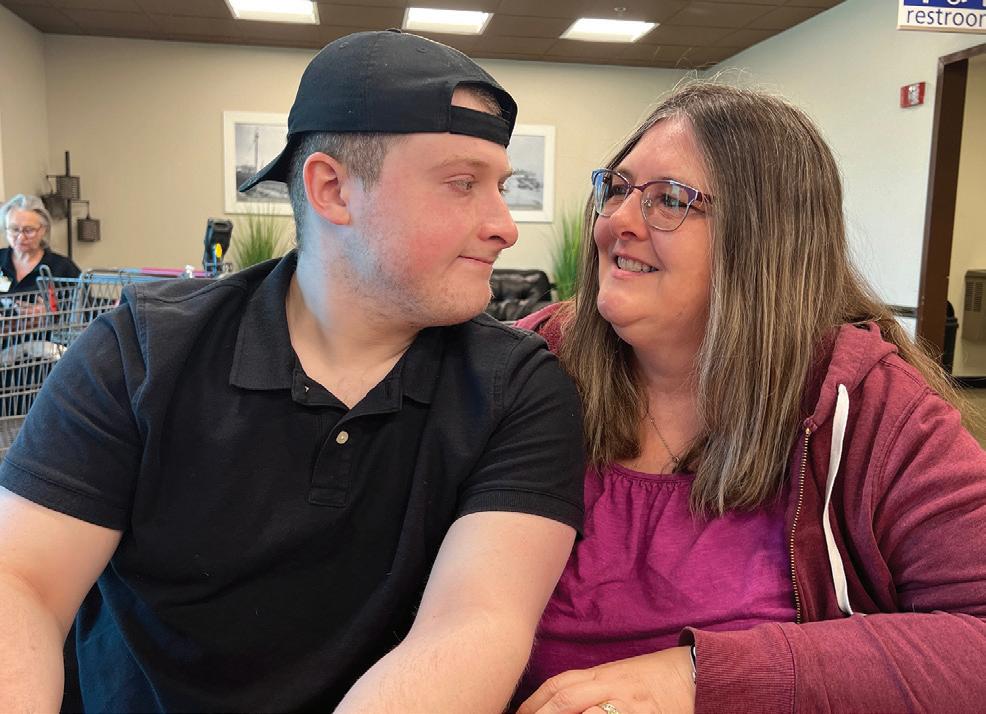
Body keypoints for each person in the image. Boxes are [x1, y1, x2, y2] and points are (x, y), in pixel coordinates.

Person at [0, 30, 585, 712]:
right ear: (332, 189)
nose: (506, 226)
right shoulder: (142, 352)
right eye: (463, 184)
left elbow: (473, 625)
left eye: (500, 187)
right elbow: (21, 581)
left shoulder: (518, 389)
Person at [513, 83, 986, 713]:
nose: (618, 221)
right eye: (617, 189)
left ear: (765, 241)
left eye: (669, 200)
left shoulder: (868, 404)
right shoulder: (529, 364)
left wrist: (702, 678)